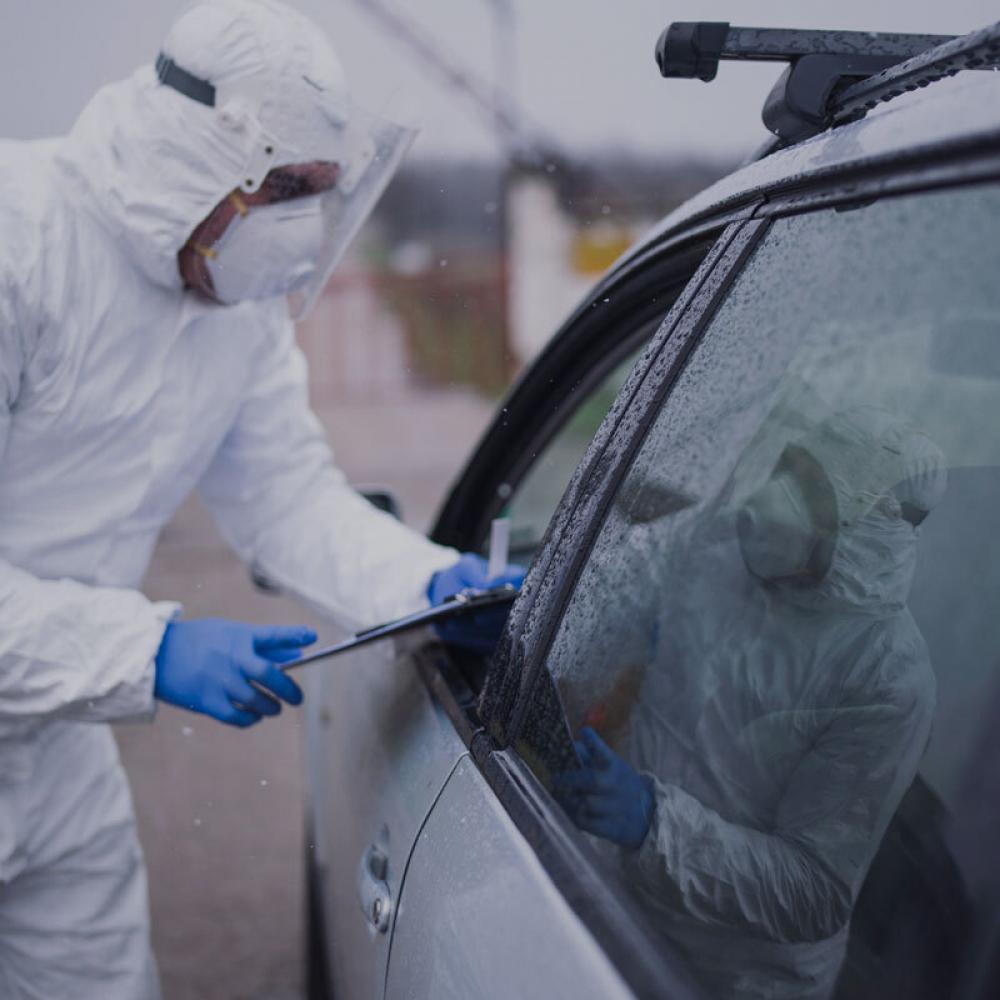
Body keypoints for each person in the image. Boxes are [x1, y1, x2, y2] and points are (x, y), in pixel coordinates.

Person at [0, 1, 520, 996]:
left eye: (319, 192)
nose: (299, 221)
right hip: (72, 675)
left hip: (53, 751)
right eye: (286, 185)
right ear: (192, 151)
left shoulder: (234, 308)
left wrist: (435, 585)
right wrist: (146, 650)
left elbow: (287, 497)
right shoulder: (20, 243)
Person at [556, 407, 946, 999]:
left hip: (726, 980)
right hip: (617, 906)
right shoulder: (726, 554)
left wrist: (653, 825)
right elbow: (629, 609)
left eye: (812, 492)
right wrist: (532, 623)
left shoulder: (884, 677)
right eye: (790, 468)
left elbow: (813, 892)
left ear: (864, 530)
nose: (775, 499)